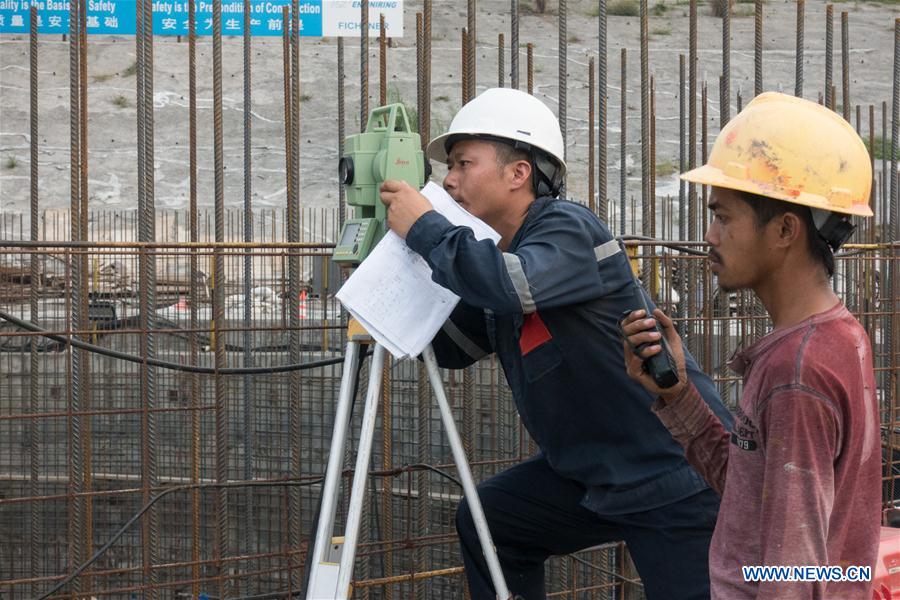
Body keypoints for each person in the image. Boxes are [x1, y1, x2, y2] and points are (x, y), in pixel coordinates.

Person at [379, 87, 733, 600]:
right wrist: (392, 281)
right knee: (492, 522)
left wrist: (427, 231)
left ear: (518, 173)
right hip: (592, 476)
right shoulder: (501, 255)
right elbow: (455, 347)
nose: (449, 181)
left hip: (669, 477)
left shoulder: (566, 227)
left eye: (462, 163)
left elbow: (511, 285)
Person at [620, 92, 881, 599]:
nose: (710, 235)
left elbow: (792, 571)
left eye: (724, 216)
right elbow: (754, 498)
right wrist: (677, 397)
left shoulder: (797, 371)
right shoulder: (838, 335)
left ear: (784, 229)